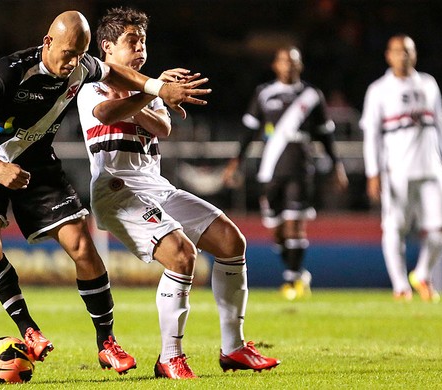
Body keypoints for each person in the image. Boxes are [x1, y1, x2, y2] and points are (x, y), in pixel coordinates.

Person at [0, 10, 210, 373]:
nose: (73, 63)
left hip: (37, 165)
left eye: (80, 55)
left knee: (81, 245)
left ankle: (107, 343)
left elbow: (115, 72)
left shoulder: (82, 65)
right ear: (48, 42)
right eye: (67, 53)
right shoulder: (11, 70)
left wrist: (157, 88)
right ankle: (28, 329)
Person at [76, 7, 280, 379]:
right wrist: (151, 89)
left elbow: (163, 126)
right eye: (131, 41)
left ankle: (233, 348)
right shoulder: (92, 84)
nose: (140, 48)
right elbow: (106, 113)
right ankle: (170, 357)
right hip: (116, 191)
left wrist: (148, 92)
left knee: (231, 242)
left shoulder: (147, 88)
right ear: (106, 47)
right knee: (182, 255)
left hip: (155, 186)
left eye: (143, 41)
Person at [223, 46, 348, 300]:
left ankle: (292, 280)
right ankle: (298, 272)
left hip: (300, 166)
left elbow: (325, 133)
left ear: (300, 66)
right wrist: (236, 161)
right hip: (270, 168)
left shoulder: (312, 96)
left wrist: (337, 164)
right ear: (275, 65)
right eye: (283, 61)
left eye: (293, 62)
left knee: (295, 223)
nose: (288, 66)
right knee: (277, 229)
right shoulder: (264, 94)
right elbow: (249, 131)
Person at [360, 34, 442, 302]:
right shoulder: (378, 89)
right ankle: (401, 286)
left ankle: (422, 274)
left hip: (431, 166)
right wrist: (373, 172)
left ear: (415, 54)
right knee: (394, 226)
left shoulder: (429, 83)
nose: (403, 55)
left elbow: (439, 124)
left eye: (408, 50)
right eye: (398, 51)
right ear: (388, 55)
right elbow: (372, 135)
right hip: (397, 169)